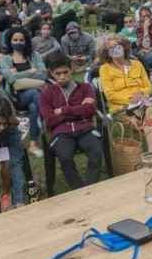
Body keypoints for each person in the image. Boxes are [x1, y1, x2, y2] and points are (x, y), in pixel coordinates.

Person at [40, 52, 104, 189]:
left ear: (71, 70)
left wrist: (64, 110)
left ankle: (90, 187)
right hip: (61, 133)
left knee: (96, 152)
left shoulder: (85, 88)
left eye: (65, 72)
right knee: (65, 157)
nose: (62, 76)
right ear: (51, 73)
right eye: (58, 73)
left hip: (85, 128)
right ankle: (78, 190)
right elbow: (49, 120)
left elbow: (90, 110)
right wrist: (79, 109)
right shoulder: (47, 93)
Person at [98, 35, 152, 152]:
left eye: (117, 45)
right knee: (145, 118)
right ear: (107, 53)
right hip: (121, 108)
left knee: (149, 112)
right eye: (111, 48)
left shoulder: (137, 64)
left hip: (142, 104)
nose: (115, 49)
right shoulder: (105, 69)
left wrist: (140, 93)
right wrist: (131, 99)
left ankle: (151, 152)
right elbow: (110, 95)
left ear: (124, 47)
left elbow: (149, 87)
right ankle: (150, 151)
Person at [0, 27, 46, 155]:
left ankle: (33, 144)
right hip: (16, 97)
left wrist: (18, 75)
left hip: (35, 96)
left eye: (21, 40)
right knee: (35, 94)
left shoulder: (34, 55)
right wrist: (30, 72)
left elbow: (43, 75)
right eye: (15, 40)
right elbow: (10, 78)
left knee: (34, 108)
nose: (18, 42)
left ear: (26, 41)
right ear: (10, 41)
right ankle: (47, 123)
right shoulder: (5, 59)